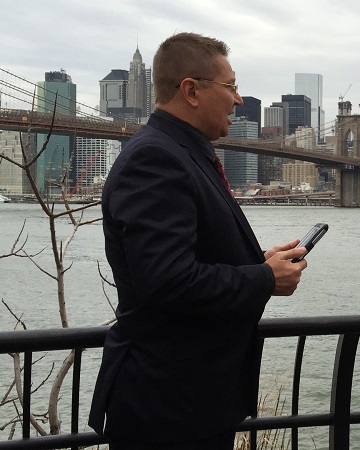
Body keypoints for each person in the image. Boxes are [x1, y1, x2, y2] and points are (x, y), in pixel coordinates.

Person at [88, 32, 308, 449]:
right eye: (231, 87)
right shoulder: (155, 159)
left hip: (190, 404)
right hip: (167, 410)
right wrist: (264, 279)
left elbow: (189, 255)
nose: (239, 100)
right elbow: (167, 282)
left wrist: (259, 261)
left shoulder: (182, 152)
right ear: (191, 90)